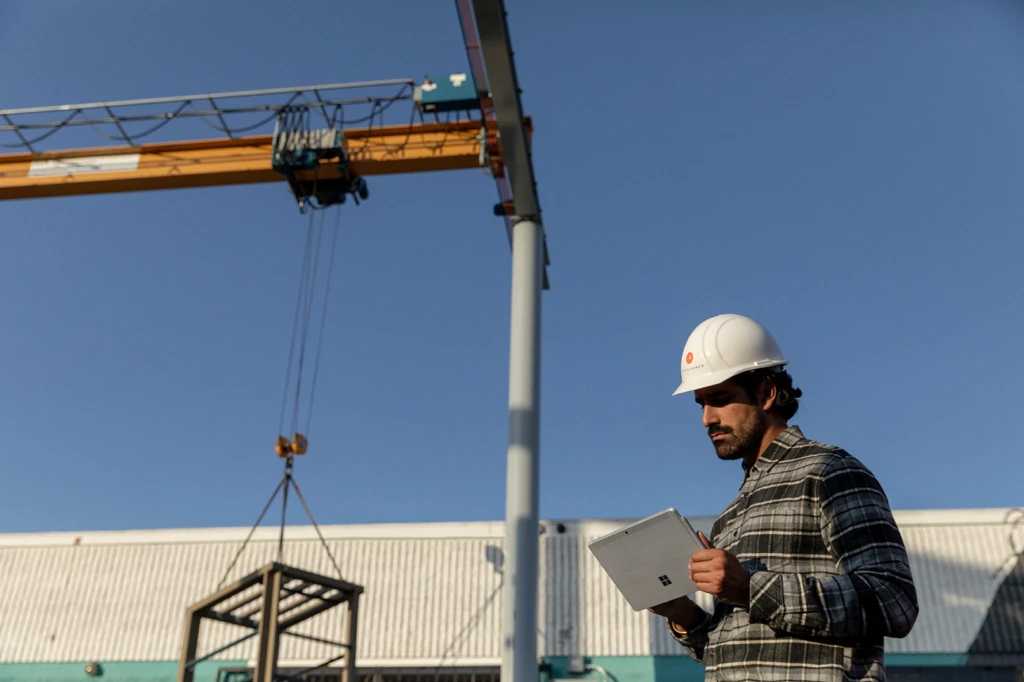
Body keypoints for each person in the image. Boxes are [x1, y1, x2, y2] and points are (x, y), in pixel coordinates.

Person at [650, 314, 918, 681]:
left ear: (766, 393)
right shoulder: (729, 517)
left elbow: (894, 600)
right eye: (701, 404)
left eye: (720, 399)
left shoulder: (829, 471)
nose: (706, 419)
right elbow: (741, 648)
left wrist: (750, 588)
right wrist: (681, 614)